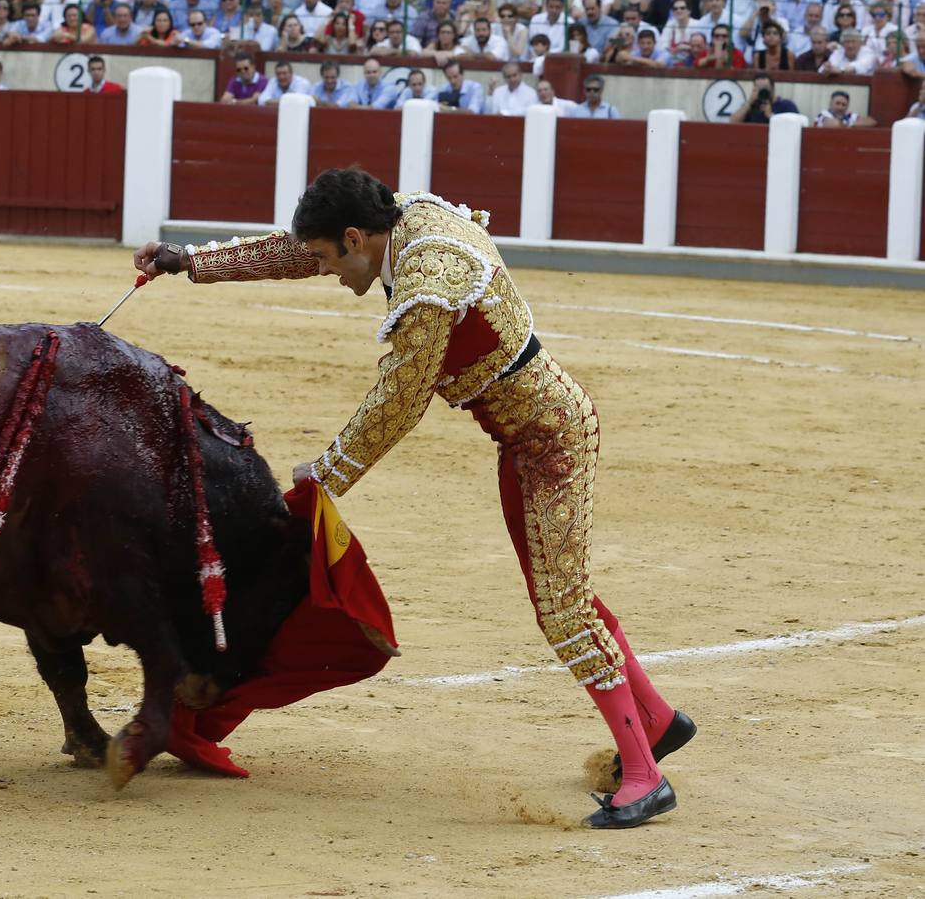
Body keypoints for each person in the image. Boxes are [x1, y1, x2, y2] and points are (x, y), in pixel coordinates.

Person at [133, 167, 694, 830]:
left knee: (564, 610)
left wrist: (326, 475)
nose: (330, 275)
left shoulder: (427, 282)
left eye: (328, 260)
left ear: (354, 238)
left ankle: (643, 775)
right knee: (564, 597)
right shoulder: (399, 221)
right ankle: (655, 721)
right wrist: (189, 262)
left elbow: (400, 401)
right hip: (526, 438)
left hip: (548, 443)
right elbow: (296, 249)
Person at [729, 73, 799, 121]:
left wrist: (771, 116)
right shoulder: (751, 106)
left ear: (773, 88)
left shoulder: (786, 105)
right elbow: (733, 121)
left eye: (765, 88)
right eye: (759, 88)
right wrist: (749, 102)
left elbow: (796, 124)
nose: (762, 91)